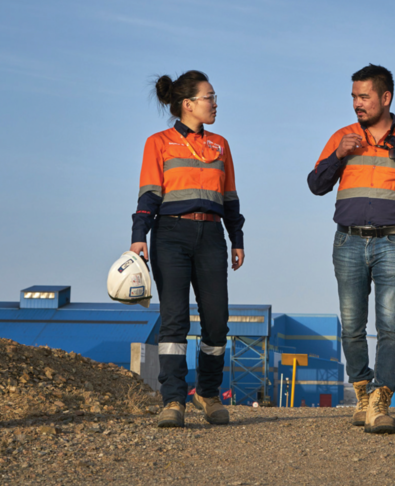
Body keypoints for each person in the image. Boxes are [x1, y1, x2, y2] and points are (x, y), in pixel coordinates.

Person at [308, 64, 395, 434]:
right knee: (351, 326)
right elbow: (316, 185)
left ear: (385, 97)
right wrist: (338, 155)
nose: (357, 104)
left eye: (363, 97)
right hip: (348, 240)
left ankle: (381, 399)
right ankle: (362, 391)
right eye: (353, 97)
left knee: (389, 326)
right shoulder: (343, 136)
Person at [130, 70, 245, 428]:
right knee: (175, 321)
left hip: (211, 236)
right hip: (170, 236)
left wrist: (237, 239)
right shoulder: (158, 143)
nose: (214, 104)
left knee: (216, 322)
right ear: (187, 104)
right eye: (209, 97)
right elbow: (149, 195)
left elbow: (230, 199)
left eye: (213, 98)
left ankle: (207, 394)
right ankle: (174, 400)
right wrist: (139, 237)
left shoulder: (221, 145)